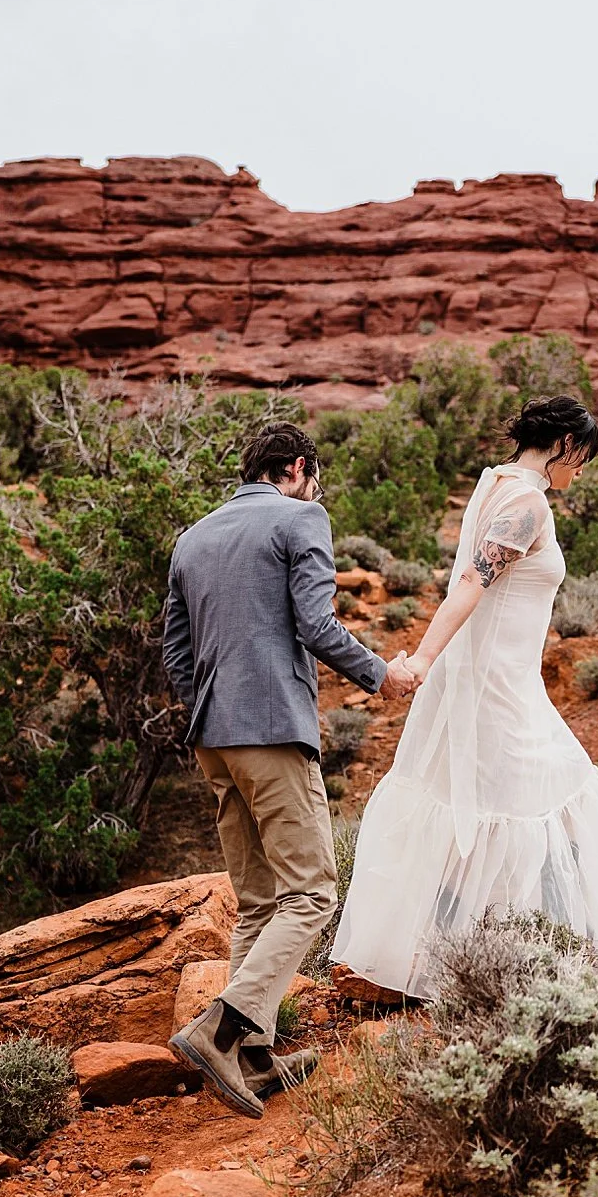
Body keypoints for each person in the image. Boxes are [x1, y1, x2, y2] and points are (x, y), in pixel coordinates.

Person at [331, 396, 598, 998]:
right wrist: (422, 657)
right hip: (500, 687)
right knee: (541, 798)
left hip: (502, 680)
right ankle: (517, 965)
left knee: (496, 804)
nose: (581, 474)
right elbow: (473, 580)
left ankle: (485, 951)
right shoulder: (525, 502)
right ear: (565, 447)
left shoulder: (494, 484)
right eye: (583, 460)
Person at [161, 421, 419, 1118]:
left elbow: (176, 654)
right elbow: (316, 624)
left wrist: (211, 710)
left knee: (261, 899)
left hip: (213, 738)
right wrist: (381, 674)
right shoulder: (301, 516)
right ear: (299, 466)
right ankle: (220, 1028)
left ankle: (253, 1052)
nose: (316, 489)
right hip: (272, 729)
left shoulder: (193, 536)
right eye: (315, 476)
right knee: (312, 893)